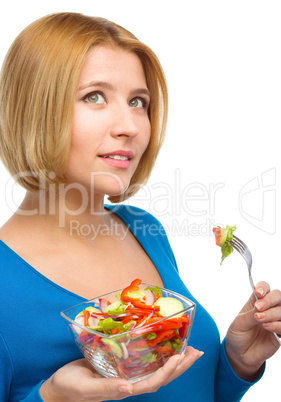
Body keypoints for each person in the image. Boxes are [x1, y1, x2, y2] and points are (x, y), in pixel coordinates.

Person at [0, 12, 280, 402]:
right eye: (94, 96)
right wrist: (50, 397)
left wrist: (237, 362)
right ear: (33, 110)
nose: (130, 125)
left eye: (137, 101)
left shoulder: (144, 230)